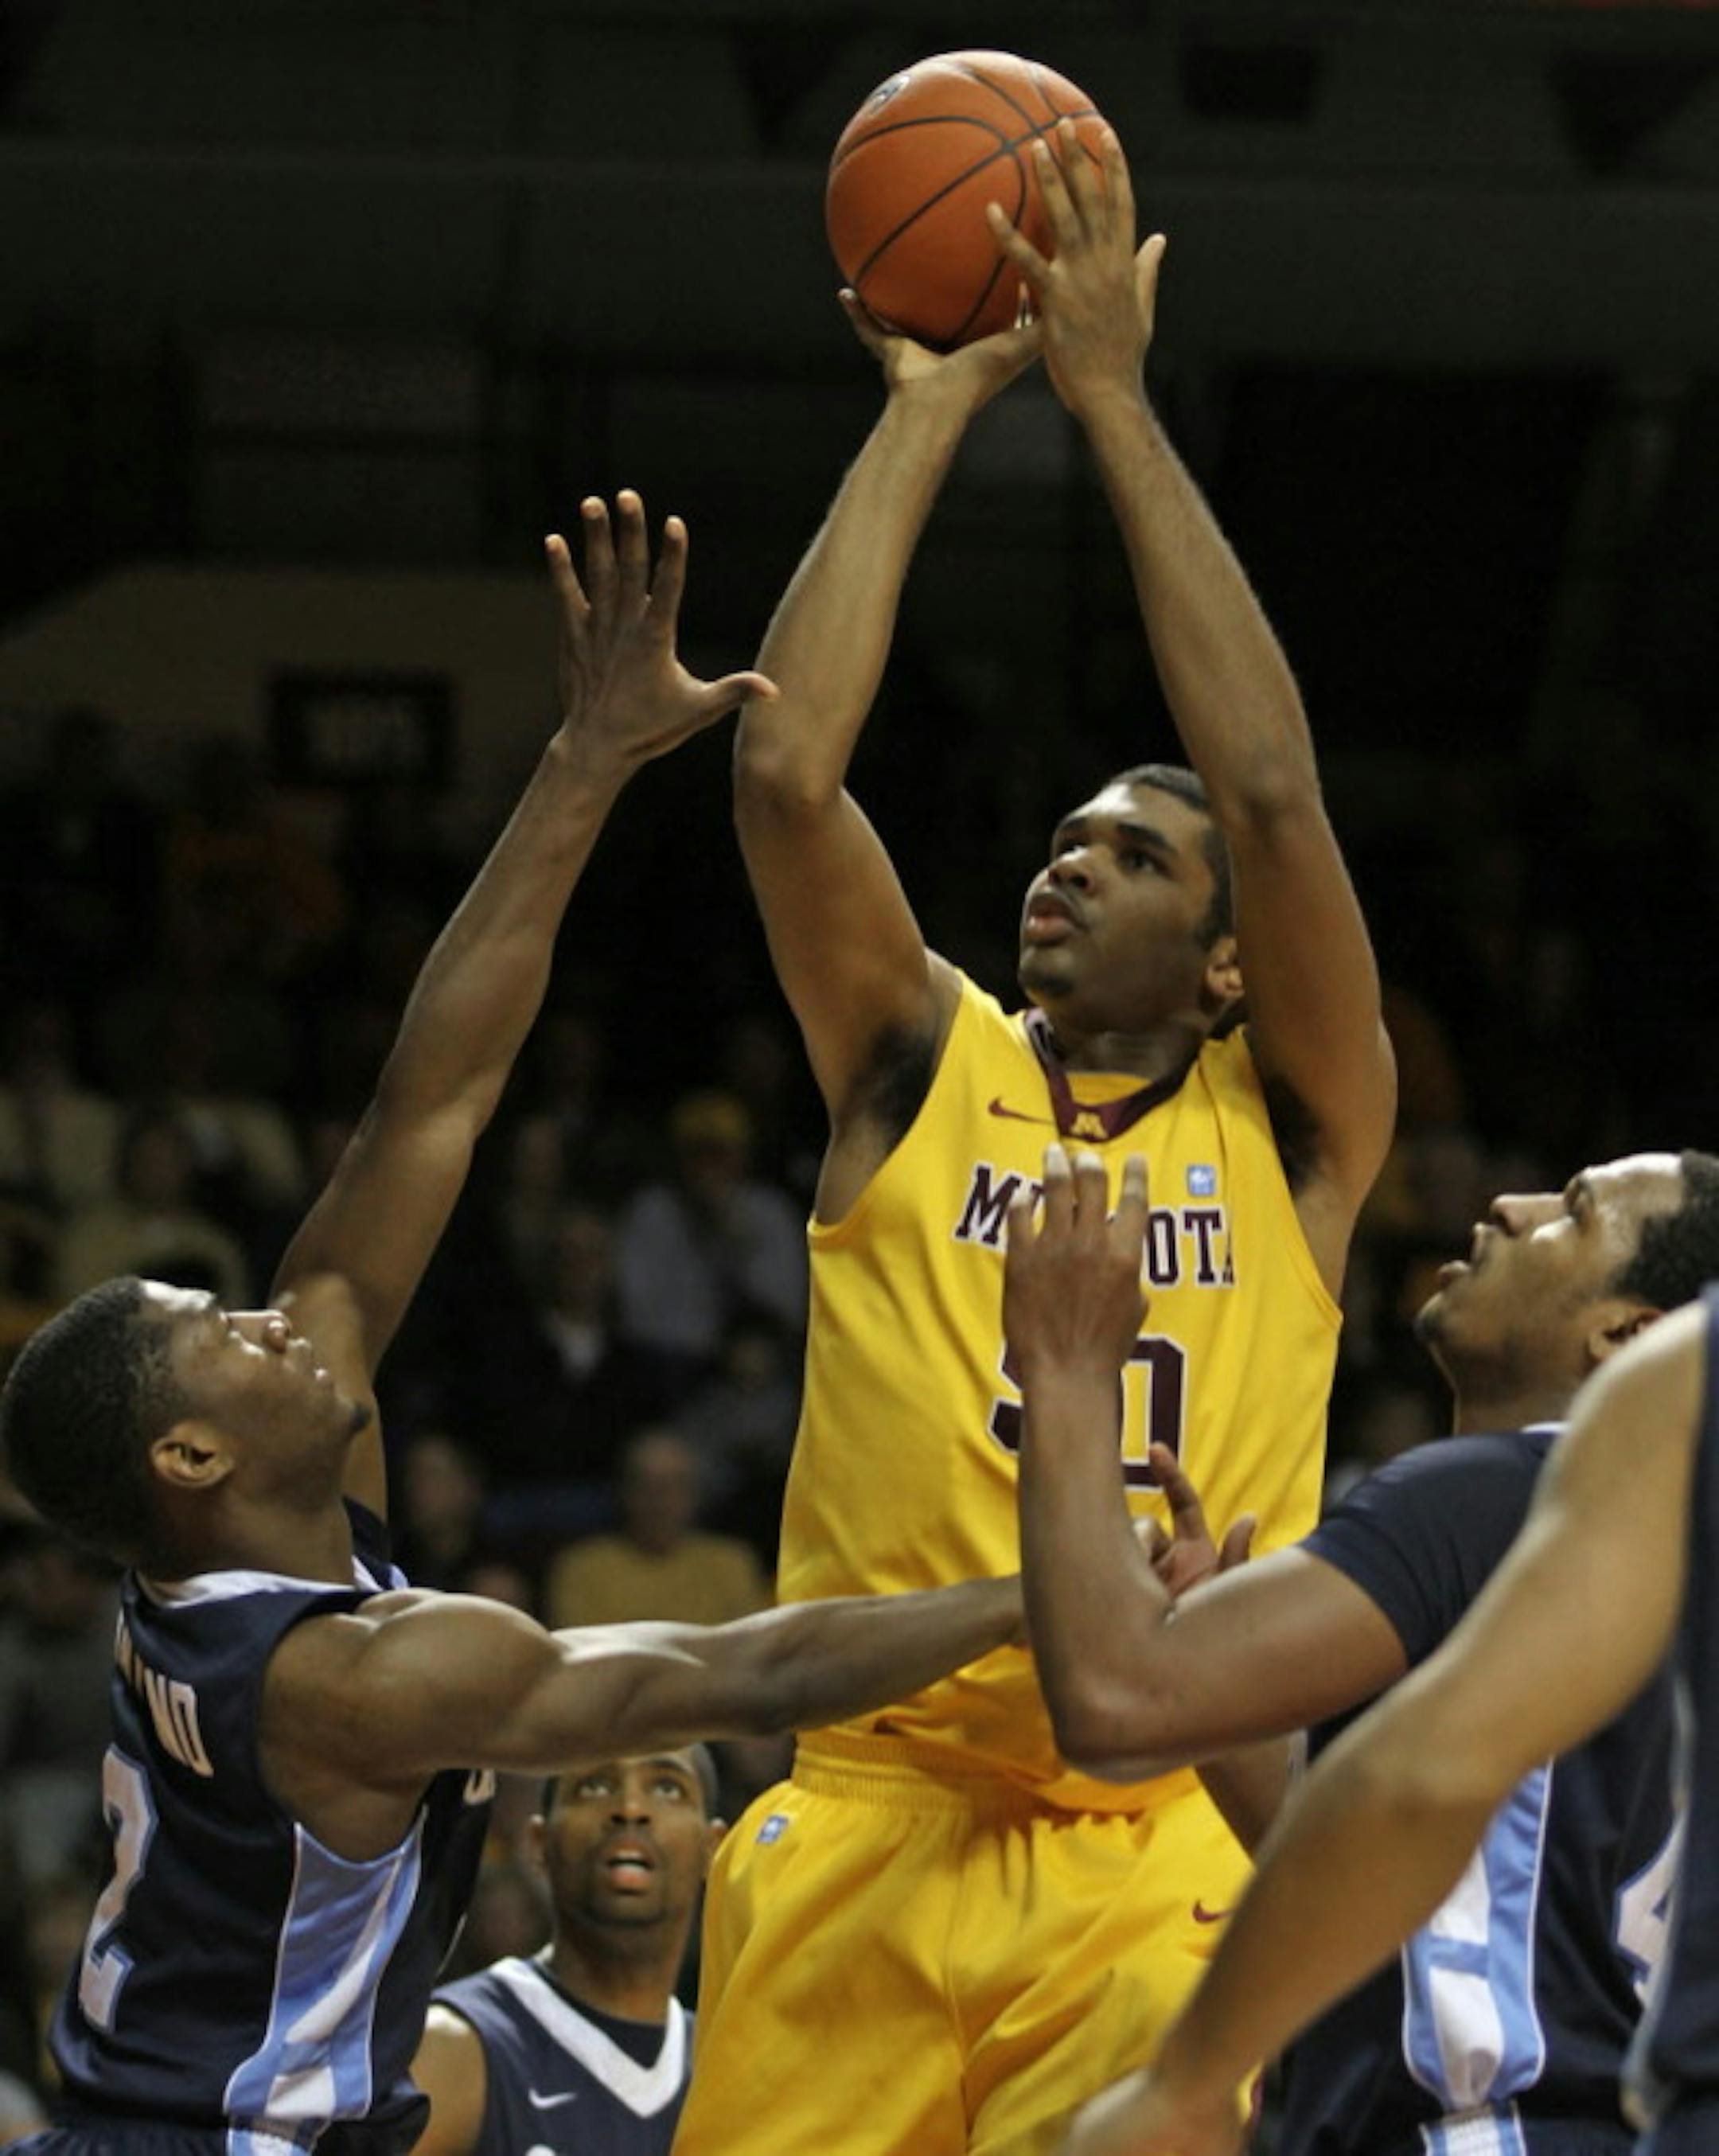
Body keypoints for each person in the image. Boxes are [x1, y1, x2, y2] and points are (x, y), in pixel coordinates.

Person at [0, 495, 1024, 2156]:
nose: (270, 1316)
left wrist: (588, 758)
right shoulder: (353, 1680)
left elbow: (433, 1101)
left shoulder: (249, 1542)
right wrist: (1052, 1588)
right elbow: (728, 1668)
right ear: (189, 1452)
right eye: (222, 1331)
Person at [678, 124, 1396, 2156]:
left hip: (1153, 1836)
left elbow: (1268, 789)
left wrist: (1109, 401)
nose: (1066, 867)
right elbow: (789, 772)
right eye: (1063, 839)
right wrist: (924, 412)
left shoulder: (1306, 1130)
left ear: (1236, 963)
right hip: (866, 1815)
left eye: (1129, 853)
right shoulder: (919, 1060)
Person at [1004, 1141, 1719, 2154]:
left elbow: (1113, 1701)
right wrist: (1229, 1708)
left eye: (1572, 1211)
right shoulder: (1659, 1559)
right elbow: (1409, 1895)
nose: (1507, 1208)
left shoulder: (1485, 1500)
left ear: (1629, 1334)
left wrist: (1067, 1364)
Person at [411, 1746, 724, 2155]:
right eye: (594, 1786)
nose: (631, 1808)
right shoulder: (456, 2047)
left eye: (667, 1788)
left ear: (714, 1847)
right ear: (539, 1843)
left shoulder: (726, 2070)